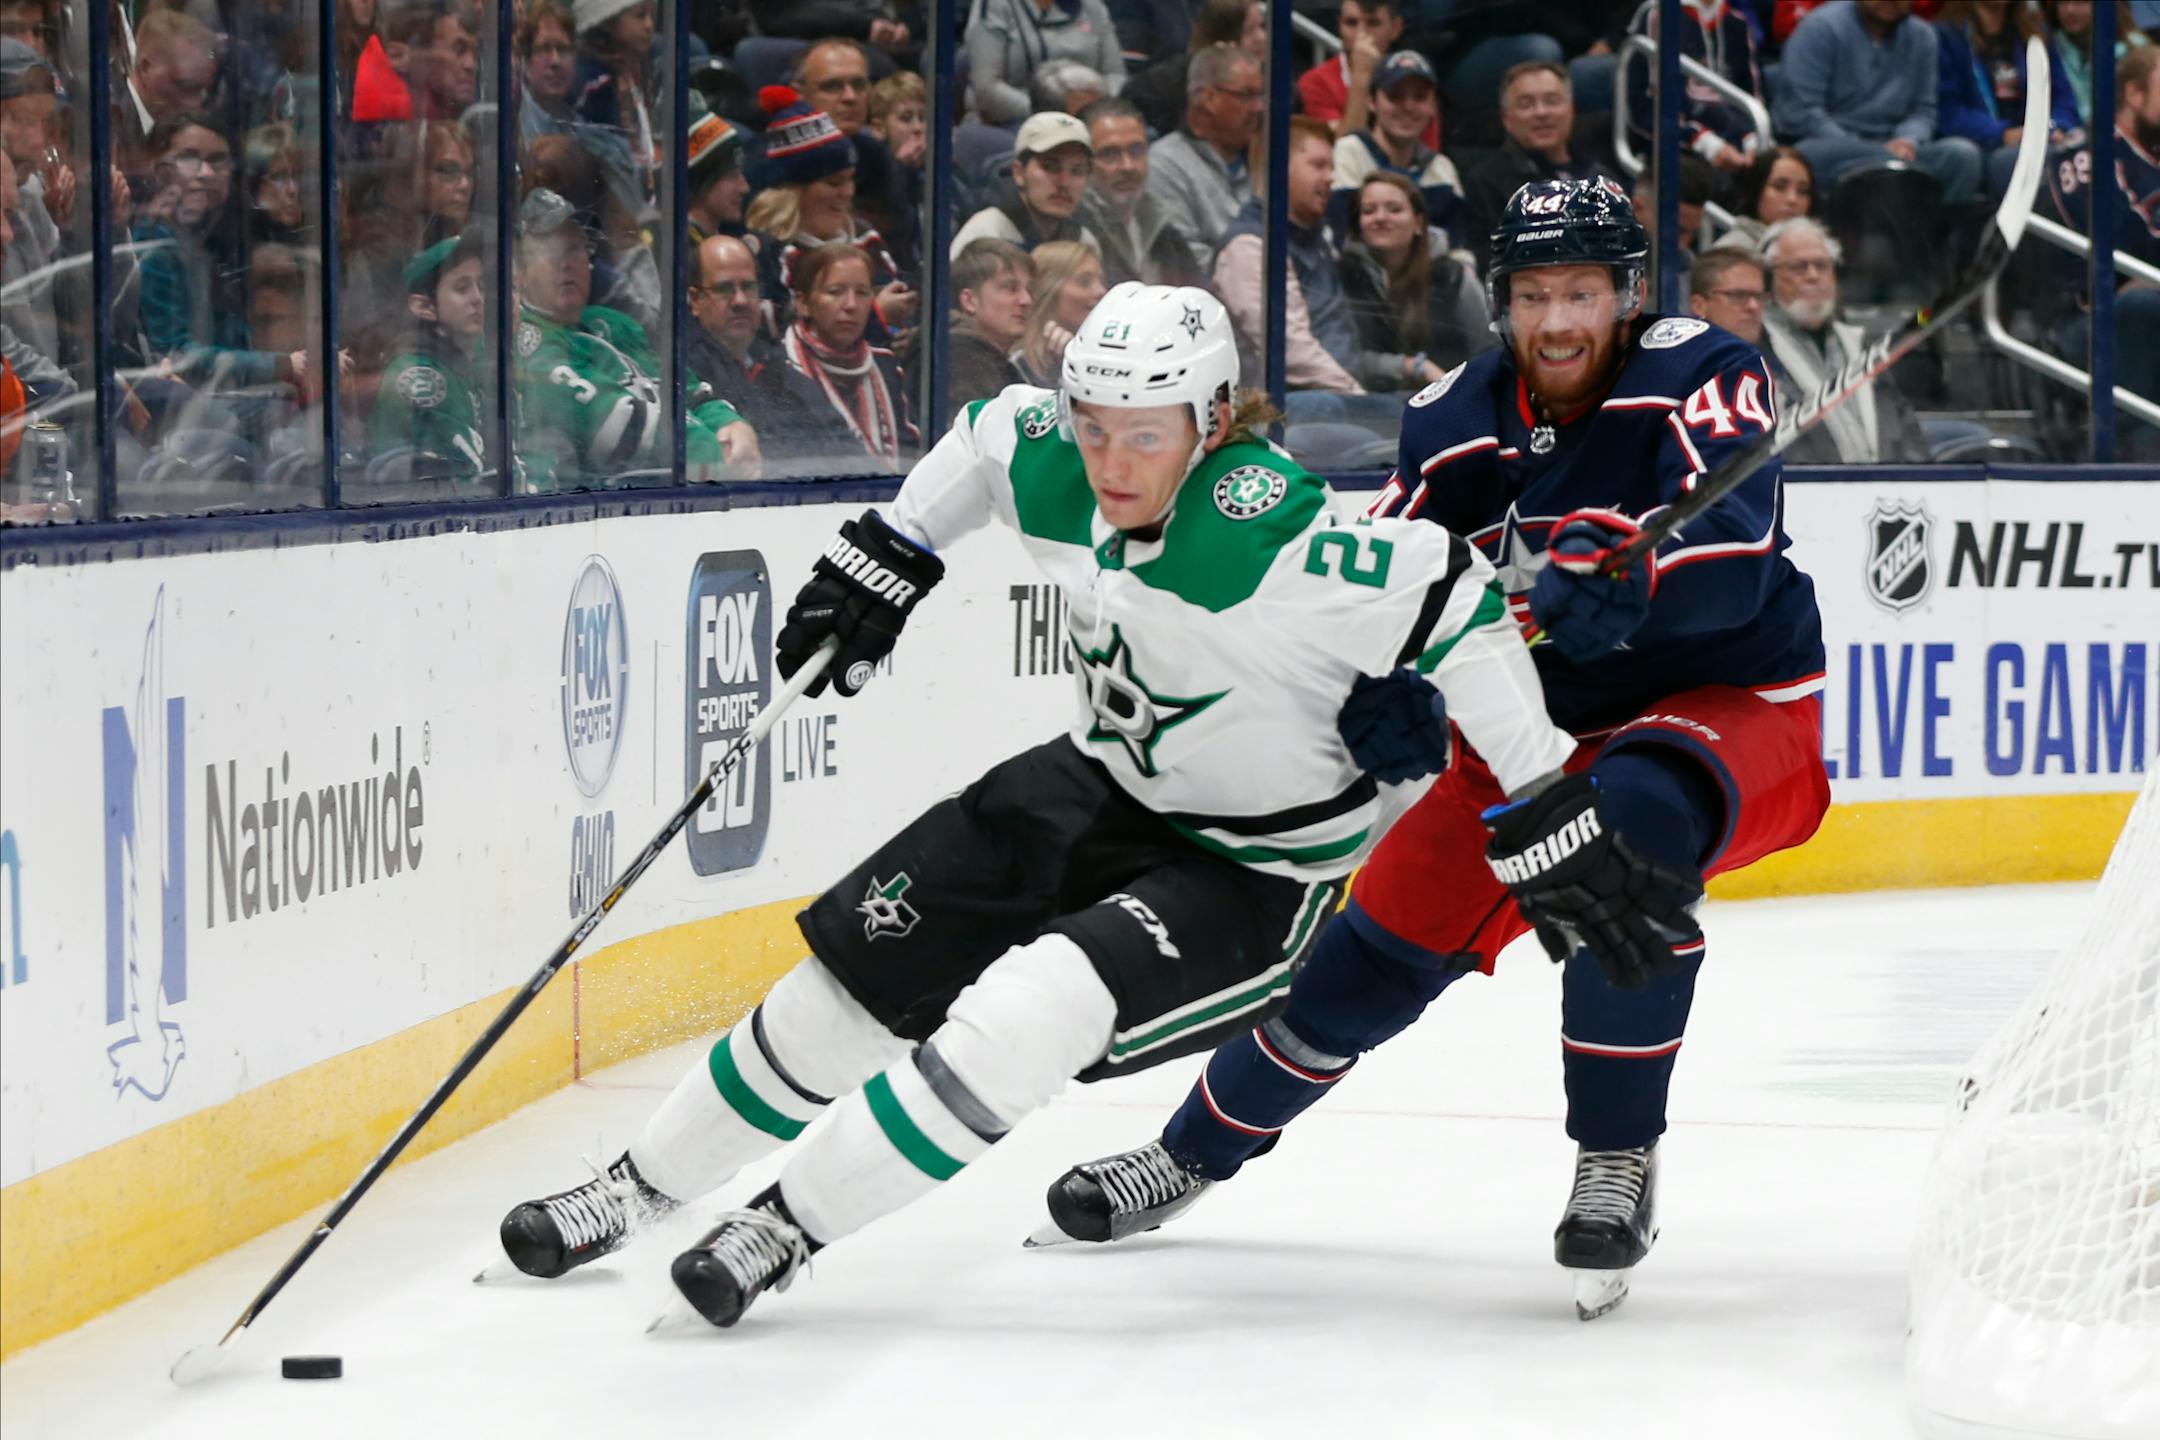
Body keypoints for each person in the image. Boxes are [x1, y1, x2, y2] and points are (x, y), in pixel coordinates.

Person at [491, 280, 1586, 1331]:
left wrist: (1533, 785)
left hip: (1249, 871)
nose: (1112, 459)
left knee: (1026, 1016)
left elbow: (1452, 592)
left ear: (1211, 422)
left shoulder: (1266, 535)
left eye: (1145, 434)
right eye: (1094, 424)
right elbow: (982, 434)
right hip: (1094, 783)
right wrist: (897, 547)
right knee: (848, 986)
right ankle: (638, 1188)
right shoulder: (1057, 454)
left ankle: (783, 1227)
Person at [1039, 181, 1831, 1329]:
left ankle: (1616, 1158)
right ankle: (1190, 1153)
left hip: (1731, 707)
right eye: (1532, 296)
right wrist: (1388, 691)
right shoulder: (1452, 415)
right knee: (1357, 973)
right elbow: (1386, 595)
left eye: (1582, 293)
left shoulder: (1706, 371)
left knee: (1633, 824)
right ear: (1500, 300)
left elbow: (1741, 550)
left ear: (1629, 295)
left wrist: (1645, 574)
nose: (1557, 322)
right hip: (1528, 741)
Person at [513, 186, 751, 488]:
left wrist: (730, 424)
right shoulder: (527, 342)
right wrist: (716, 454)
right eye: (552, 250)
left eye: (575, 248)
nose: (567, 262)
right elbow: (621, 427)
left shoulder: (613, 325)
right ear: (520, 270)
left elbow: (689, 390)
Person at [745, 86, 914, 347]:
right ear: (792, 192)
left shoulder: (865, 238)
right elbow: (781, 337)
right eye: (833, 182)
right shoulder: (769, 258)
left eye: (850, 180)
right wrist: (874, 313)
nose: (846, 193)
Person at [1772, 0, 1982, 206]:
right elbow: (1801, 112)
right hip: (1833, 147)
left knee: (1962, 155)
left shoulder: (1923, 36)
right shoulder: (1821, 27)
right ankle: (1896, 175)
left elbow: (1923, 110)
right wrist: (1869, 149)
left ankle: (1930, 237)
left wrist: (1908, 139)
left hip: (1897, 148)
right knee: (1807, 155)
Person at [1758, 215, 1931, 464]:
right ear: (1769, 280)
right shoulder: (1759, 351)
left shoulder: (1863, 344)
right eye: (1798, 267)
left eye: (1822, 265)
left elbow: (1904, 427)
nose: (1813, 276)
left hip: (1883, 491)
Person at [1214, 117, 1365, 401]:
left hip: (1340, 392)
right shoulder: (1250, 245)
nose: (1331, 177)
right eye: (1319, 165)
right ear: (1278, 167)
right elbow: (1291, 352)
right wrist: (1358, 397)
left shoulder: (1316, 237)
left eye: (1331, 166)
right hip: (1293, 405)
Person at [684, 231, 834, 465]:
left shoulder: (775, 360)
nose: (740, 301)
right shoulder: (686, 371)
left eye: (749, 287)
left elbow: (837, 439)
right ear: (695, 300)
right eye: (724, 289)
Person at [1338, 172, 1490, 394]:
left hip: (1452, 399)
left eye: (1394, 209)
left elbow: (1488, 347)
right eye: (1369, 211)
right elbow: (1343, 355)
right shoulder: (1343, 275)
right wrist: (1414, 367)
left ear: (1419, 223)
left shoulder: (1453, 275)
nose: (1380, 218)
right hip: (1370, 402)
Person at [779, 241, 918, 470]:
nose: (851, 305)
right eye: (835, 292)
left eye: (862, 293)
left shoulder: (886, 366)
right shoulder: (779, 371)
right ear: (803, 303)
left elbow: (910, 453)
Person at [370, 230, 491, 486]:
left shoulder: (473, 362)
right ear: (424, 306)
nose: (478, 298)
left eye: (482, 285)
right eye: (462, 288)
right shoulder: (419, 374)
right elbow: (464, 480)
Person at [1935, 0, 2084, 200]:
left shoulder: (2035, 32)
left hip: (2039, 139)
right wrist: (2003, 133)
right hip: (1986, 146)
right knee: (2029, 161)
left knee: (2084, 154)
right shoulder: (1947, 35)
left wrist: (2055, 127)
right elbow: (1948, 111)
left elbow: (2063, 98)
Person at [1328, 50, 1470, 254]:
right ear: (1371, 101)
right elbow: (1341, 239)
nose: (1408, 106)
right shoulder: (1348, 154)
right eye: (1395, 96)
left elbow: (1456, 249)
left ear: (1433, 106)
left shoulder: (1442, 169)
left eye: (1420, 97)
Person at [1458, 61, 1610, 249]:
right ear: (1507, 119)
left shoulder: (1602, 177)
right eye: (1526, 104)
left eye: (1551, 101)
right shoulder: (1486, 182)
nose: (1541, 112)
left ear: (1571, 109)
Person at [1148, 43, 1263, 273]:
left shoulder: (1264, 157)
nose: (1259, 107)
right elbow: (1187, 261)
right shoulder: (1163, 165)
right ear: (1209, 98)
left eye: (1261, 95)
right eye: (1246, 95)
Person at [1622, 0, 1767, 175]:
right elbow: (1640, 108)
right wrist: (1702, 141)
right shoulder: (1656, 15)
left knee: (1771, 168)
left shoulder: (1737, 23)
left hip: (1733, 146)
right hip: (1674, 148)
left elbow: (1750, 101)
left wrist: (1751, 139)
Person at [1076, 96, 1201, 287]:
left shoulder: (1162, 226)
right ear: (1082, 163)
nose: (1128, 166)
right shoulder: (1074, 232)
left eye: (1136, 151)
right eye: (1110, 154)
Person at [951, 111, 1097, 257]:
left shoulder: (1083, 242)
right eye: (1050, 167)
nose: (1064, 183)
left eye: (1077, 171)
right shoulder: (985, 234)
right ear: (1019, 173)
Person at [966, 0, 1128, 128]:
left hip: (1091, 117)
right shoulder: (995, 5)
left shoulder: (1092, 6)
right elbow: (986, 87)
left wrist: (1096, 112)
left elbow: (1116, 74)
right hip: (1015, 120)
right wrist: (1056, 116)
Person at [1299, 0, 1436, 149]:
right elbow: (1340, 154)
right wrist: (1362, 76)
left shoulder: (1416, 78)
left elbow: (1428, 155)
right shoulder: (1315, 82)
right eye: (1351, 23)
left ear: (1396, 28)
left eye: (1373, 23)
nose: (1361, 33)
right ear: (1339, 26)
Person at [1121, 0, 1262, 140]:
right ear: (1224, 38)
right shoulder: (1165, 87)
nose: (1261, 38)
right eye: (1249, 31)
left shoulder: (1268, 75)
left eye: (1262, 27)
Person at [922, 237, 1033, 407]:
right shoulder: (959, 359)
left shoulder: (988, 359)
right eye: (1011, 288)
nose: (1027, 300)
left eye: (1029, 290)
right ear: (969, 300)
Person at [1011, 238, 1105, 386]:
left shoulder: (1106, 358)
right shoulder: (1015, 368)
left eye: (1101, 281)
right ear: (1047, 289)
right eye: (1084, 282)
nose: (1101, 291)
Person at [1719, 143, 1816, 248]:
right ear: (1757, 191)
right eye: (1779, 187)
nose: (1792, 199)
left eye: (1802, 191)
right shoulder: (1730, 252)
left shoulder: (1823, 249)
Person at [517, 0, 580, 141]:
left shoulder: (580, 126)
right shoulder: (515, 126)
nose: (555, 61)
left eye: (562, 49)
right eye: (545, 49)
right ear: (526, 61)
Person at [1686, 243, 1770, 346]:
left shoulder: (1768, 354)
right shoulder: (1682, 360)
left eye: (1759, 297)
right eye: (1739, 296)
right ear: (1698, 306)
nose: (1753, 306)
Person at [684, 110, 748, 247]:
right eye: (731, 176)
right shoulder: (682, 254)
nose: (745, 188)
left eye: (741, 174)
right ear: (700, 183)